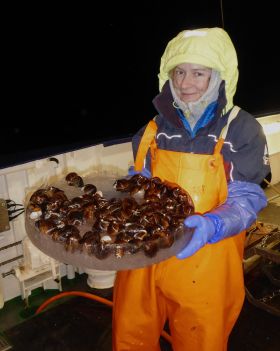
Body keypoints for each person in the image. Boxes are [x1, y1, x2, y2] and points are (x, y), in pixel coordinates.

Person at [112, 27, 271, 351]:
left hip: (206, 259)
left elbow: (248, 197)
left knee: (201, 341)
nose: (185, 83)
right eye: (179, 72)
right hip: (146, 254)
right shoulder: (152, 130)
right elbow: (138, 186)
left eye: (198, 73)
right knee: (131, 334)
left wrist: (213, 224)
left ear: (221, 75)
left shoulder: (241, 129)